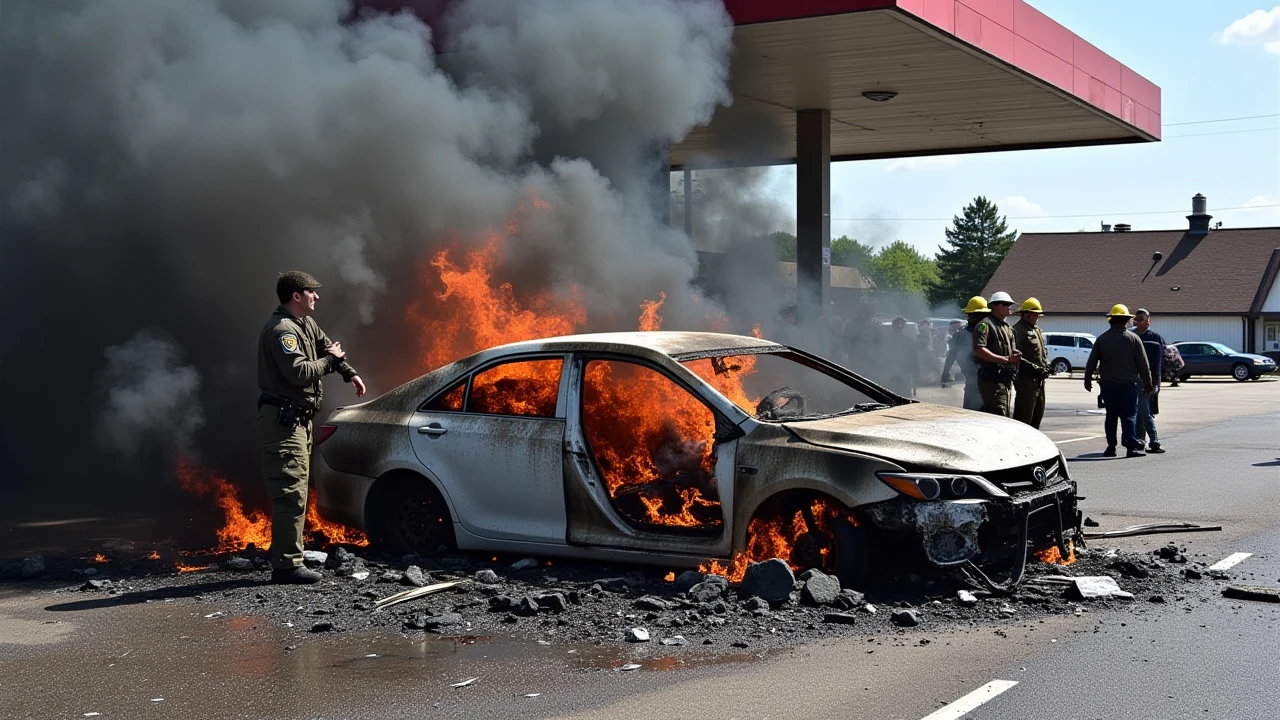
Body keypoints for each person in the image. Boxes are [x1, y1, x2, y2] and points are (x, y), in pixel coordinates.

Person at [257, 271, 367, 583]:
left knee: (299, 491)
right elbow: (299, 373)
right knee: (289, 493)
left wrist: (348, 372)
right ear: (296, 295)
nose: (316, 296)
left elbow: (326, 346)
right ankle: (286, 566)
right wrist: (331, 363)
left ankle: (290, 558)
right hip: (283, 423)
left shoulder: (304, 324)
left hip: (298, 421)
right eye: (311, 292)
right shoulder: (282, 331)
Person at [1083, 304, 1152, 458]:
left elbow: (1092, 361)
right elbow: (1143, 364)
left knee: (1111, 415)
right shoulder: (1134, 339)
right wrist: (1148, 383)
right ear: (1127, 321)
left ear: (1111, 320)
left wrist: (1087, 379)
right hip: (1129, 385)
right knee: (1129, 416)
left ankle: (1111, 447)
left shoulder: (1102, 339)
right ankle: (1130, 447)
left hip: (1108, 384)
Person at [972, 291, 1021, 417]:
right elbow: (979, 350)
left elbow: (1011, 350)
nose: (1008, 307)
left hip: (1005, 379)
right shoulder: (985, 325)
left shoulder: (1007, 327)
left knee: (1004, 414)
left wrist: (1015, 355)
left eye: (1009, 305)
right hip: (991, 380)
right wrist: (1004, 359)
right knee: (997, 414)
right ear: (994, 306)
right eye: (1005, 304)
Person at [941, 298, 990, 410]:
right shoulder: (963, 335)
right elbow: (952, 354)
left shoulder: (989, 330)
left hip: (989, 380)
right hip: (974, 379)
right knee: (973, 410)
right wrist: (945, 372)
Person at [1012, 297, 1050, 428]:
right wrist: (1034, 367)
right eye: (1035, 315)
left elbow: (1041, 351)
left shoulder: (1037, 330)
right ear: (1026, 314)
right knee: (1024, 418)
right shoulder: (1017, 330)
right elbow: (1015, 355)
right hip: (1026, 380)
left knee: (1037, 415)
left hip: (1039, 381)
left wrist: (1046, 366)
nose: (1037, 318)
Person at [1131, 309, 1166, 453]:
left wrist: (1157, 382)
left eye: (1141, 319)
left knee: (1146, 412)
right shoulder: (1131, 337)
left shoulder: (1155, 338)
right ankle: (1141, 441)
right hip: (1134, 380)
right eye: (1136, 319)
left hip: (1150, 381)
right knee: (1140, 412)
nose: (1138, 321)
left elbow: (1160, 362)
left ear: (1148, 321)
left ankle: (1153, 441)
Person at [884, 317, 919, 396]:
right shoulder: (909, 342)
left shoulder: (909, 342)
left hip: (902, 377)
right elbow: (915, 362)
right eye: (898, 326)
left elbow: (915, 362)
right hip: (890, 377)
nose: (900, 328)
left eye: (901, 326)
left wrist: (915, 381)